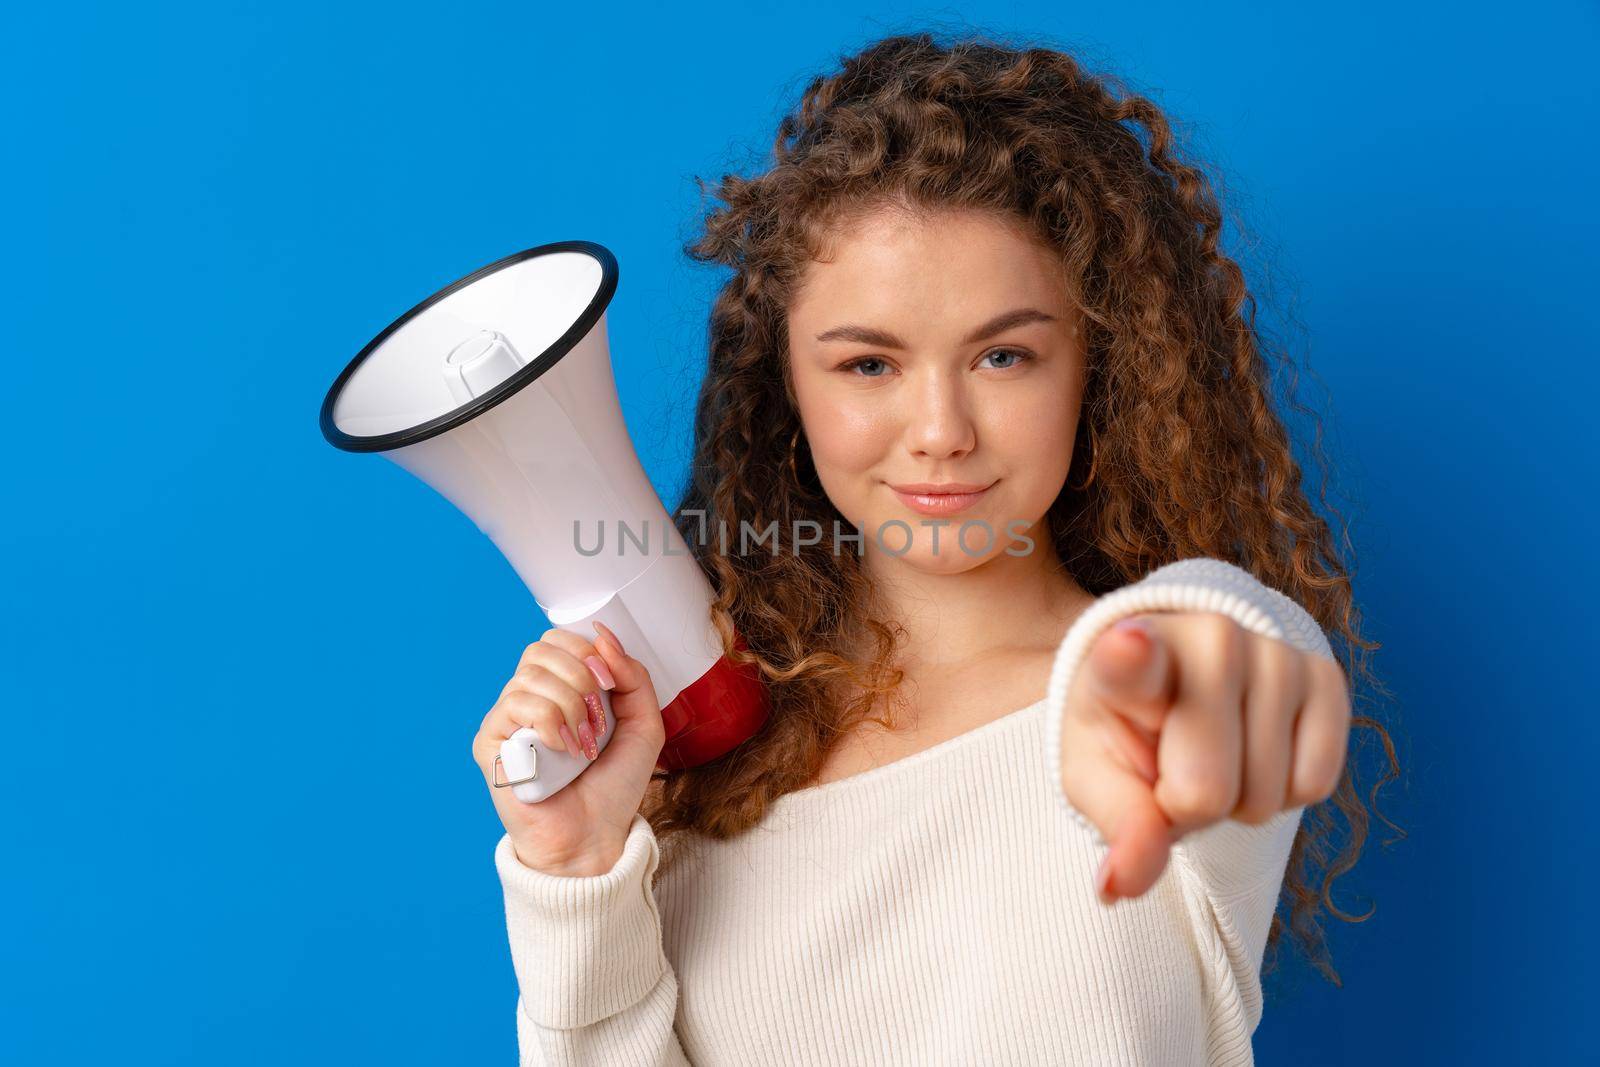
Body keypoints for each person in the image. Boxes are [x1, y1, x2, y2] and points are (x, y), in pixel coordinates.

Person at [470, 29, 1395, 1067]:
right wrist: (576, 863)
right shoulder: (693, 774)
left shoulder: (1162, 717)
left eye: (1004, 354)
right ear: (786, 385)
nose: (941, 429)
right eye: (869, 364)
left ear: (1099, 364)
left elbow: (1255, 650)